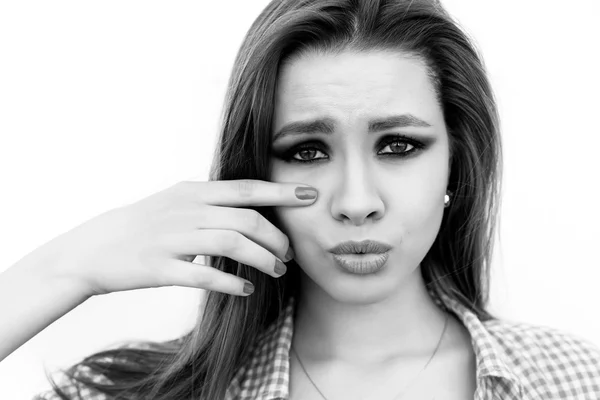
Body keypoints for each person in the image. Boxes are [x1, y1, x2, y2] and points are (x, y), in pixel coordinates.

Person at [0, 0, 598, 398]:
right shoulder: (139, 393)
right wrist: (66, 267)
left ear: (457, 161)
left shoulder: (575, 381)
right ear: (254, 172)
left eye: (397, 145)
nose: (356, 201)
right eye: (308, 150)